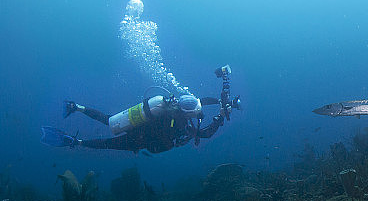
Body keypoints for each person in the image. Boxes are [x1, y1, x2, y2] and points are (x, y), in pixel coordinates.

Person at [42, 66, 240, 154]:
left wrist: (219, 102)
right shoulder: (181, 123)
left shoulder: (173, 106)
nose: (198, 111)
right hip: (140, 140)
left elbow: (200, 102)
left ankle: (76, 107)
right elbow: (204, 134)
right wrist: (220, 118)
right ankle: (75, 141)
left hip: (138, 123)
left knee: (107, 119)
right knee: (107, 144)